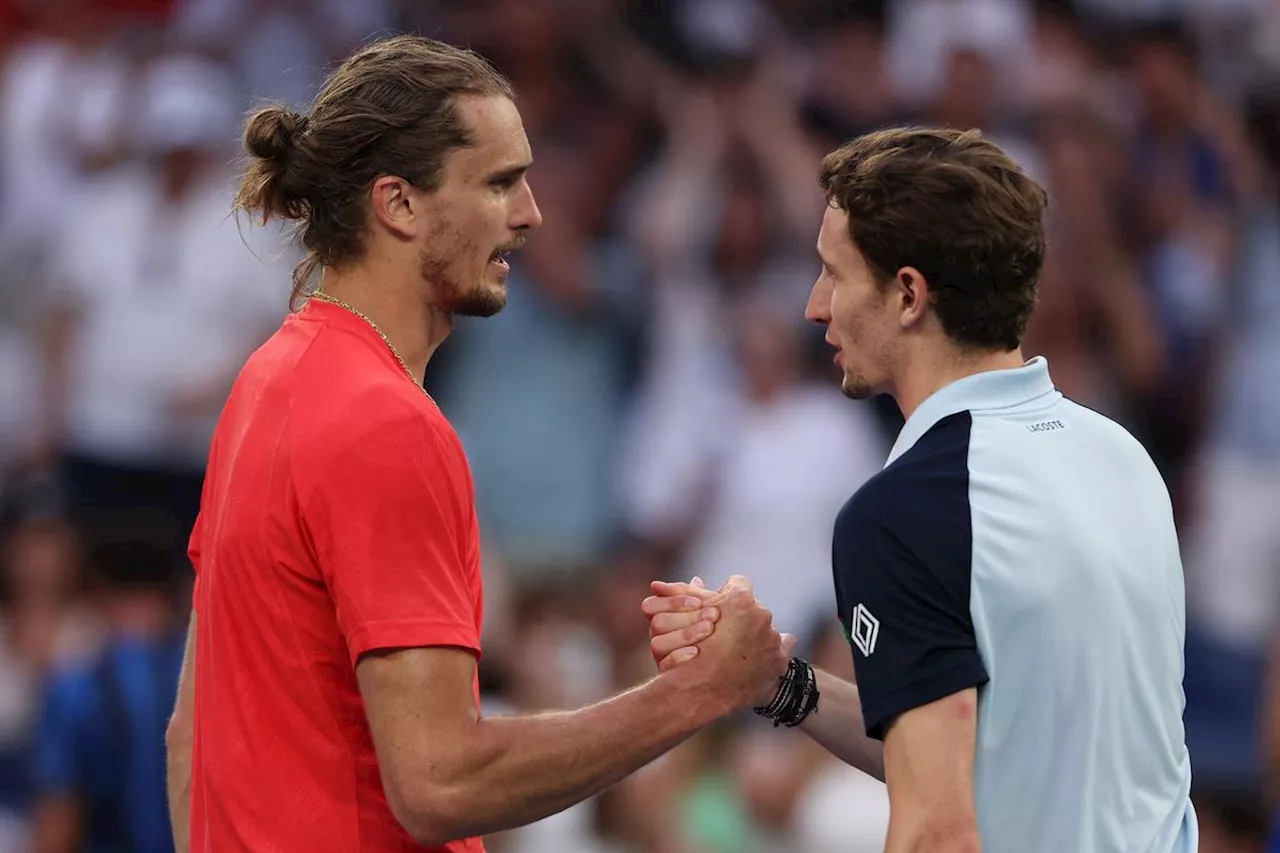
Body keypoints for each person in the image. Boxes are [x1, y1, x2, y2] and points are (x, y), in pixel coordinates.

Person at [163, 35, 791, 853]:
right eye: (499, 183)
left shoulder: (264, 381)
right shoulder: (386, 424)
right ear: (399, 204)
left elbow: (189, 740)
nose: (530, 213)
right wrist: (699, 692)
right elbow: (440, 782)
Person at [643, 126, 1198, 853]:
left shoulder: (902, 514)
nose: (815, 307)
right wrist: (782, 682)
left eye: (833, 274)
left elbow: (937, 829)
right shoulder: (1123, 456)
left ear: (908, 294)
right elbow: (984, 757)